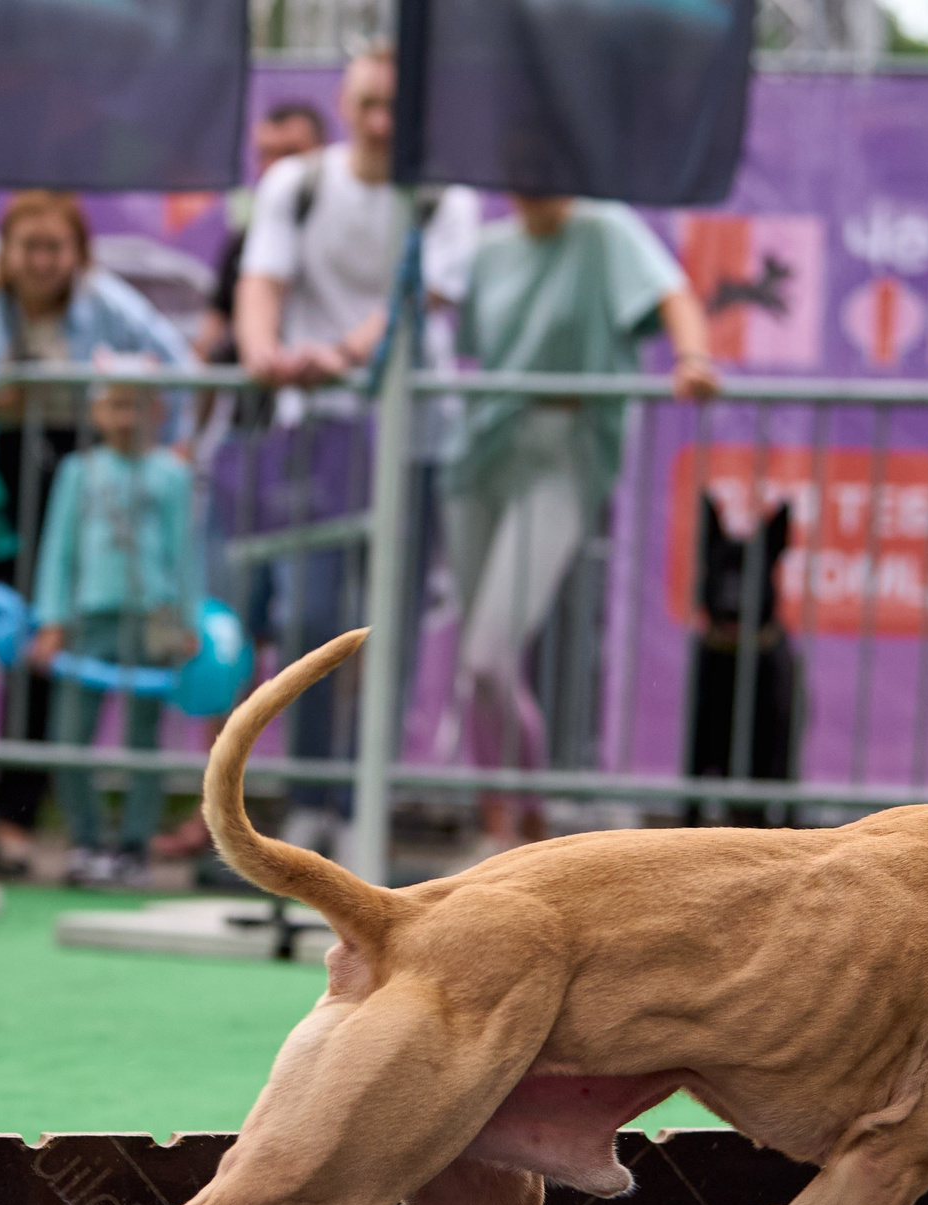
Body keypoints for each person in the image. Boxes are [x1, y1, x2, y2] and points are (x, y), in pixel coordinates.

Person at [232, 43, 481, 854]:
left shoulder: (448, 199)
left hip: (413, 443)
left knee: (388, 633)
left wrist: (339, 354)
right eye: (368, 104)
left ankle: (357, 806)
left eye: (394, 110)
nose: (380, 124)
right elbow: (260, 282)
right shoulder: (297, 183)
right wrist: (264, 351)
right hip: (316, 438)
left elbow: (416, 302)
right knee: (310, 619)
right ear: (345, 105)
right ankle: (306, 802)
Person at [0, 190, 192, 875]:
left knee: (42, 643)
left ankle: (14, 820)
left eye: (54, 247)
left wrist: (164, 440)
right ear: (4, 251)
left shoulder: (109, 305)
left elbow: (178, 363)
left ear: (77, 254)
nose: (39, 261)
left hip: (72, 478)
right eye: (26, 246)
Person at [436, 194, 716, 857]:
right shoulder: (487, 248)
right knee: (476, 668)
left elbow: (674, 295)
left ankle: (528, 823)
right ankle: (497, 826)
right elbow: (438, 315)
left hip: (563, 448)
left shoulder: (605, 229)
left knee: (488, 657)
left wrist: (693, 359)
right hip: (479, 451)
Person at [29, 368, 200, 887]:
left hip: (151, 618)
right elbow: (58, 549)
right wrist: (52, 619)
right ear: (96, 413)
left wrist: (185, 621)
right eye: (115, 405)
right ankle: (84, 837)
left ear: (158, 412)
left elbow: (183, 553)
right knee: (71, 735)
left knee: (141, 736)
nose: (126, 418)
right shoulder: (79, 472)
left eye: (136, 405)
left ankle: (133, 843)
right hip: (88, 617)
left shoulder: (171, 474)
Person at [196, 102, 329, 367]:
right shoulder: (242, 241)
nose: (276, 168)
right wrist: (260, 353)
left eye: (290, 153)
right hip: (262, 396)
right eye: (265, 154)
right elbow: (211, 333)